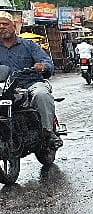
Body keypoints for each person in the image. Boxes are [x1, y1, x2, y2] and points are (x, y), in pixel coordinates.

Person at [0, 10, 57, 144]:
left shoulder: (28, 45)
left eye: (5, 24)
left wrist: (42, 66)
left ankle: (47, 132)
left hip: (30, 84)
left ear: (14, 26)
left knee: (41, 94)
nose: (2, 27)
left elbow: (47, 63)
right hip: (4, 88)